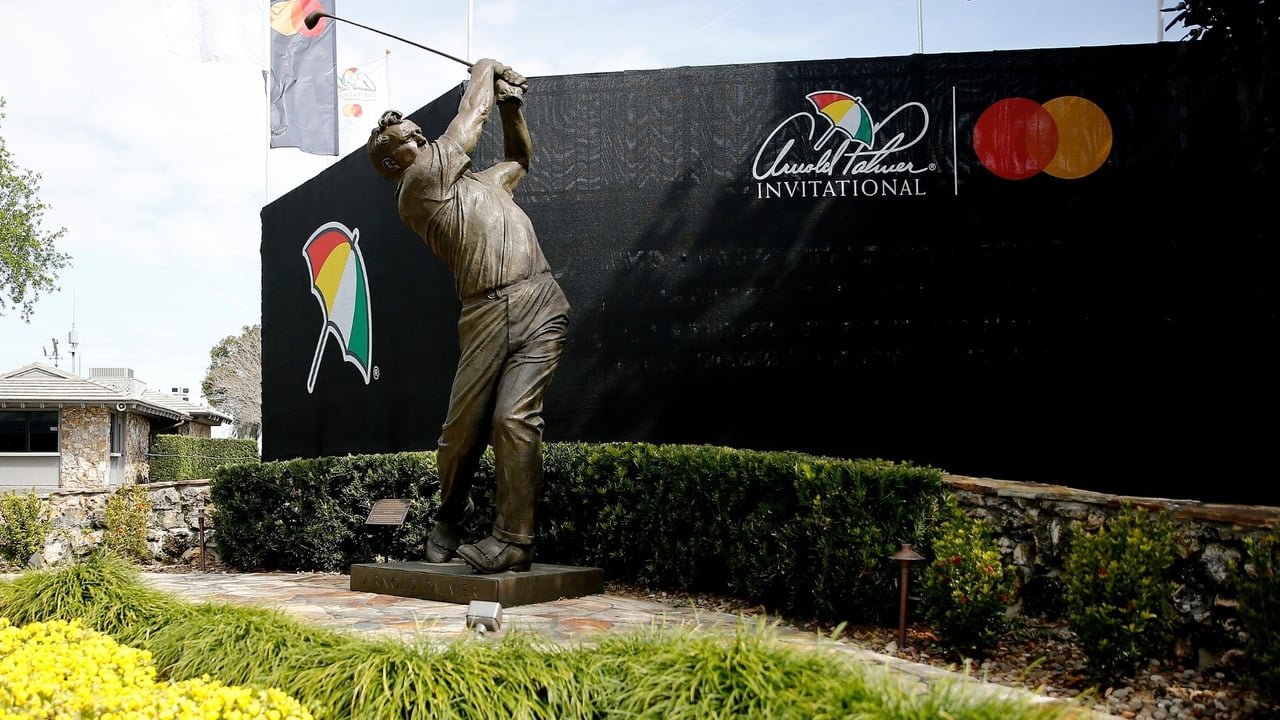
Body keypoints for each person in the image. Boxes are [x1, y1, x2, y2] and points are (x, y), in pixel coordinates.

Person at [366, 59, 571, 574]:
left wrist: (512, 108)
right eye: (408, 137)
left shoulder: (482, 185)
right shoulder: (418, 188)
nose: (421, 136)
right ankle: (451, 515)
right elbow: (467, 120)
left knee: (514, 419)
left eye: (417, 130)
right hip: (485, 313)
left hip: (541, 301)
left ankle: (513, 541)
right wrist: (485, 69)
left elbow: (519, 156)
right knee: (460, 436)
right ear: (394, 162)